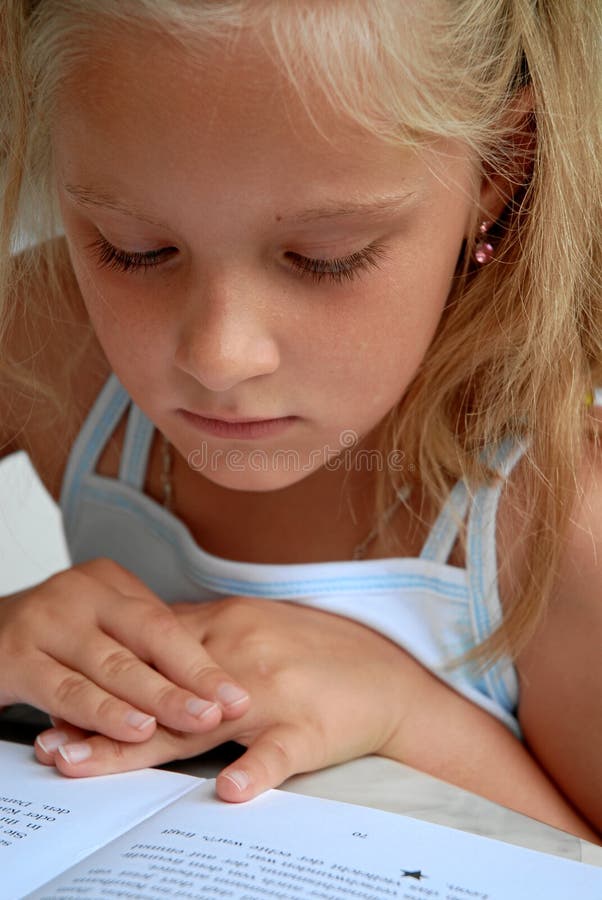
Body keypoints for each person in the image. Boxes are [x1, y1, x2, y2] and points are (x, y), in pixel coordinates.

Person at [0, 0, 600, 842]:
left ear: (500, 169)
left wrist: (405, 716)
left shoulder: (558, 520)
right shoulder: (49, 341)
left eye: (326, 257)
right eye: (134, 248)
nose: (219, 355)